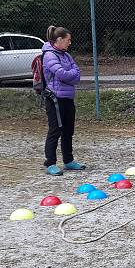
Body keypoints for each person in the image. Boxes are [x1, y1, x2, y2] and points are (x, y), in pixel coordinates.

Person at [42, 25, 85, 176]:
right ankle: (50, 163)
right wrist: (69, 75)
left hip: (68, 98)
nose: (70, 43)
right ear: (59, 40)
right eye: (68, 40)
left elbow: (77, 74)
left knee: (68, 130)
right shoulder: (49, 55)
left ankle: (68, 161)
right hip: (55, 99)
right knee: (55, 131)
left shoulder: (66, 55)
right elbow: (61, 74)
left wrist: (69, 75)